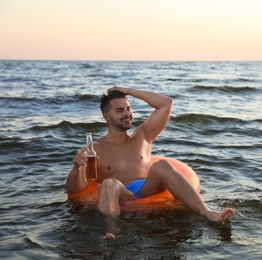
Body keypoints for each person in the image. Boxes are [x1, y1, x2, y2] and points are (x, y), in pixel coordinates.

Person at [66, 86, 234, 235]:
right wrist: (76, 168)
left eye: (128, 109)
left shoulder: (143, 136)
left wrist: (129, 91)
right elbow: (74, 190)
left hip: (147, 188)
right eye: (119, 110)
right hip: (121, 193)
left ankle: (208, 213)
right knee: (110, 183)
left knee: (161, 165)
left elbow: (165, 103)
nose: (127, 114)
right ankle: (112, 232)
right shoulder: (95, 149)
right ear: (106, 117)